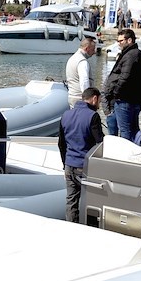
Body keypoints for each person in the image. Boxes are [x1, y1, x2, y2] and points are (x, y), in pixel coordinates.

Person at [58, 87, 104, 222]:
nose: (99, 105)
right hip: (84, 167)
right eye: (99, 101)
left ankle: (71, 229)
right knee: (90, 201)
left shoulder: (66, 115)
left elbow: (61, 144)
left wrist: (64, 164)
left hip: (69, 164)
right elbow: (100, 144)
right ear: (94, 99)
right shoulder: (93, 116)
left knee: (71, 201)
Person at [104, 28, 141, 141]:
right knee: (132, 130)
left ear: (129, 40)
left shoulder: (131, 55)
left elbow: (125, 77)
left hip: (125, 100)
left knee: (126, 131)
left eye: (121, 41)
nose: (118, 44)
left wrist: (115, 93)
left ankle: (126, 155)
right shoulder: (135, 54)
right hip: (132, 99)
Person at [65, 37, 97, 108]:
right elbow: (84, 82)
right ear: (86, 49)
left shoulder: (72, 58)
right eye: (93, 49)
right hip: (81, 98)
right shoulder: (82, 62)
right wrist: (89, 99)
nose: (94, 52)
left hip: (71, 96)